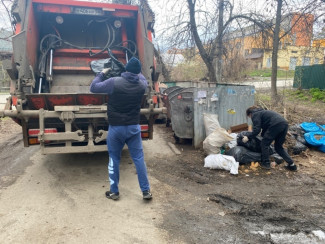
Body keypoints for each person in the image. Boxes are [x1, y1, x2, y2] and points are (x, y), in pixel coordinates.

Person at [90, 57, 152, 200]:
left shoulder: (114, 82)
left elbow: (93, 87)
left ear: (126, 69)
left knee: (114, 158)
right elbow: (141, 77)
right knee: (139, 159)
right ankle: (146, 191)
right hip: (133, 128)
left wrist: (102, 73)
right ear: (138, 72)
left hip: (116, 128)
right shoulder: (142, 85)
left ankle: (114, 192)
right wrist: (138, 71)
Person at [243, 106, 297, 171]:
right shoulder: (263, 112)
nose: (250, 118)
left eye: (249, 117)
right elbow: (265, 127)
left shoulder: (255, 114)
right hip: (284, 124)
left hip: (275, 125)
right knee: (278, 147)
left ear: (249, 114)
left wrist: (248, 136)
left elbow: (257, 129)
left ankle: (266, 164)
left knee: (264, 144)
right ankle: (292, 165)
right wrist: (262, 135)